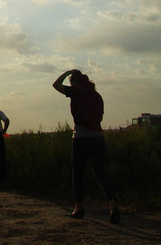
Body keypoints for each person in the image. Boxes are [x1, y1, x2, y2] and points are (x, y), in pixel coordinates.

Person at [53, 69, 120, 224]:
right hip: (98, 138)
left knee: (78, 174)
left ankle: (78, 208)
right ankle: (112, 205)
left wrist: (67, 72)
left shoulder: (74, 92)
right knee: (101, 174)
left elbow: (56, 85)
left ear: (74, 83)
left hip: (81, 138)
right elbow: (100, 117)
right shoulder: (97, 96)